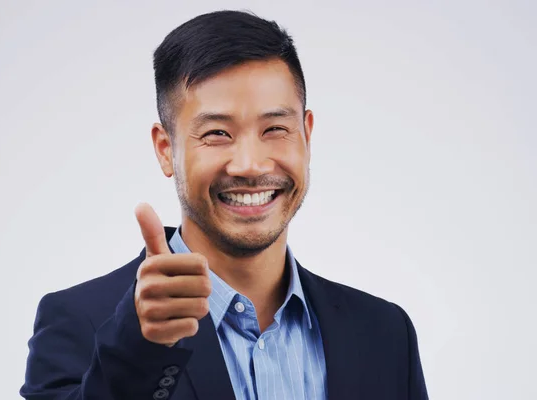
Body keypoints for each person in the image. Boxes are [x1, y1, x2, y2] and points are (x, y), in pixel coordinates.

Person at [21, 10, 429, 400]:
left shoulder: (385, 333)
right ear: (166, 150)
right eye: (217, 133)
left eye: (275, 129)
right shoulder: (79, 322)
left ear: (306, 135)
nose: (250, 164)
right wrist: (139, 348)